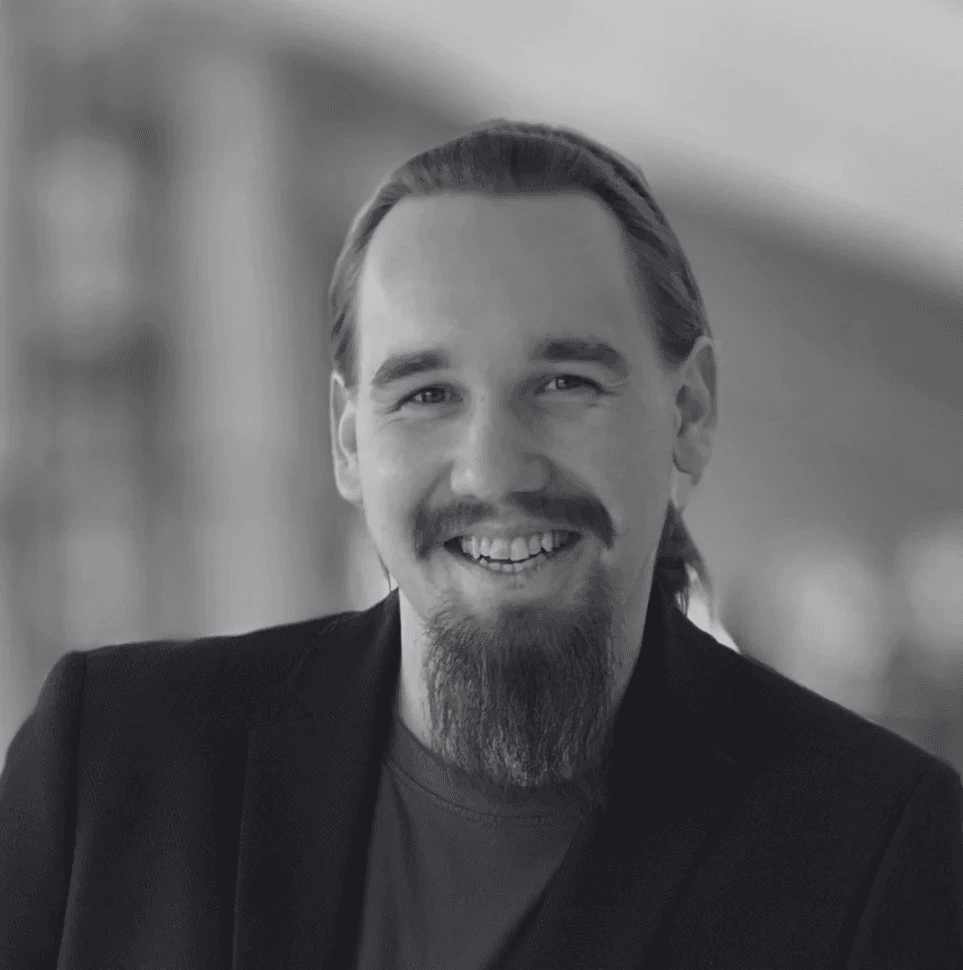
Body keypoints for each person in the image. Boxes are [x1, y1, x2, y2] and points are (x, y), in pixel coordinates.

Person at [1, 120, 961, 970]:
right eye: (426, 395)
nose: (494, 470)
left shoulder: (882, 849)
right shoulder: (116, 763)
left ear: (690, 411)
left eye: (564, 383)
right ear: (347, 439)